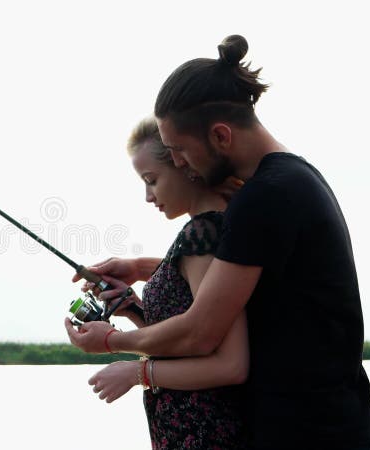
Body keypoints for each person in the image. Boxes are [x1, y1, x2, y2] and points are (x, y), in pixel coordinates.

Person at [65, 35, 370, 449]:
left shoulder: (265, 197)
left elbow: (200, 332)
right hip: (327, 421)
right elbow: (234, 276)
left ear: (220, 136)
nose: (178, 163)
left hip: (308, 430)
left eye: (179, 151)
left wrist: (110, 341)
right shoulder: (290, 178)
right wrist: (143, 268)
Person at [86, 116, 249, 449]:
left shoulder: (202, 235)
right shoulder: (203, 236)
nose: (148, 196)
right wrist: (132, 306)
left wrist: (134, 370)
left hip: (207, 436)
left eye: (152, 180)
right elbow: (190, 337)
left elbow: (229, 363)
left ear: (183, 164)